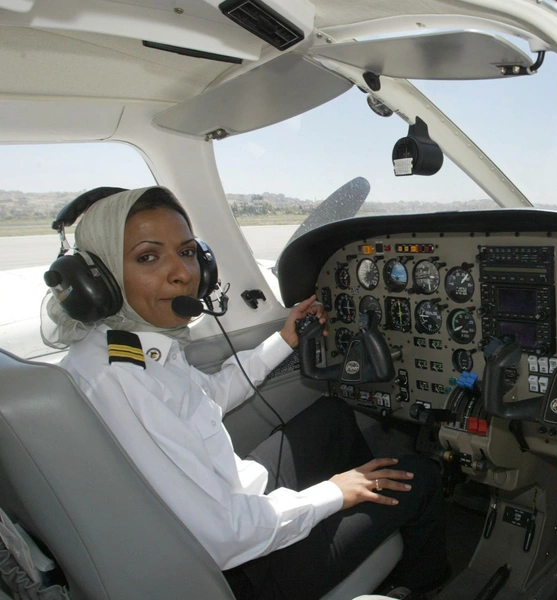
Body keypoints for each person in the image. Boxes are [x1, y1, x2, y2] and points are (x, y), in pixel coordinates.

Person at [41, 186, 448, 600]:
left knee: (333, 416)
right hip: (242, 572)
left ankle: (372, 517)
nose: (183, 273)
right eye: (148, 257)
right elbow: (224, 536)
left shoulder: (125, 346)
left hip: (231, 501)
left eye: (186, 252)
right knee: (426, 477)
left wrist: (283, 340)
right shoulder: (120, 381)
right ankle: (419, 584)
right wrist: (334, 494)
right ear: (100, 278)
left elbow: (206, 397)